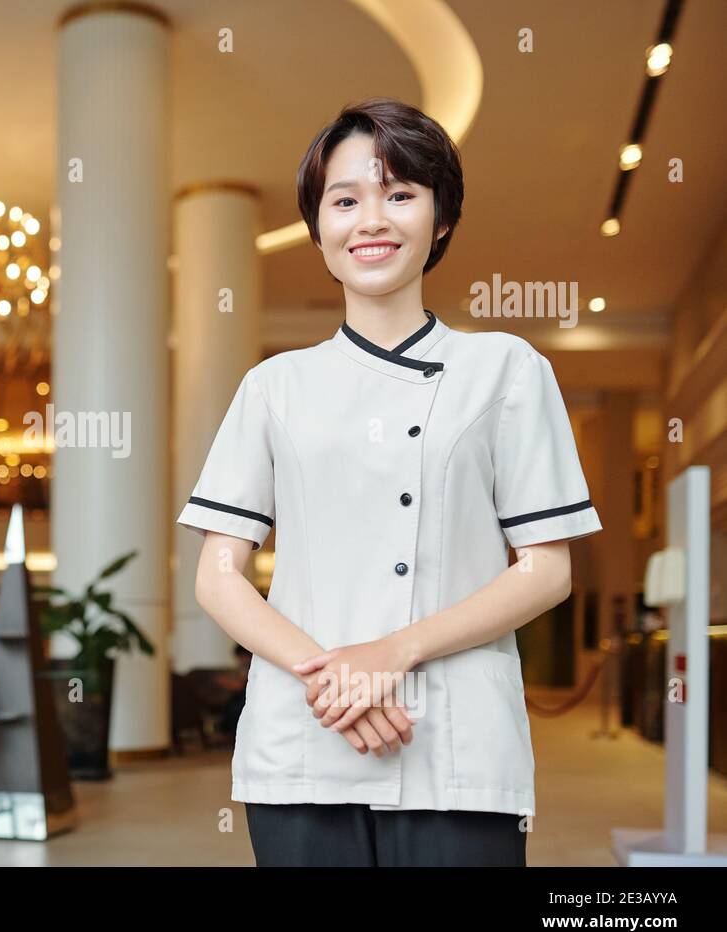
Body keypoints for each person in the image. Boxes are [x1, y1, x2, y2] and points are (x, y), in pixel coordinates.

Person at [177, 98, 603, 866]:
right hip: (302, 743)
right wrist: (336, 678)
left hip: (458, 748)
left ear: (440, 219)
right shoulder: (273, 387)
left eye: (400, 194)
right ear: (319, 228)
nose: (370, 219)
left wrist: (392, 654)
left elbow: (546, 571)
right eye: (346, 201)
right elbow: (218, 577)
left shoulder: (505, 370)